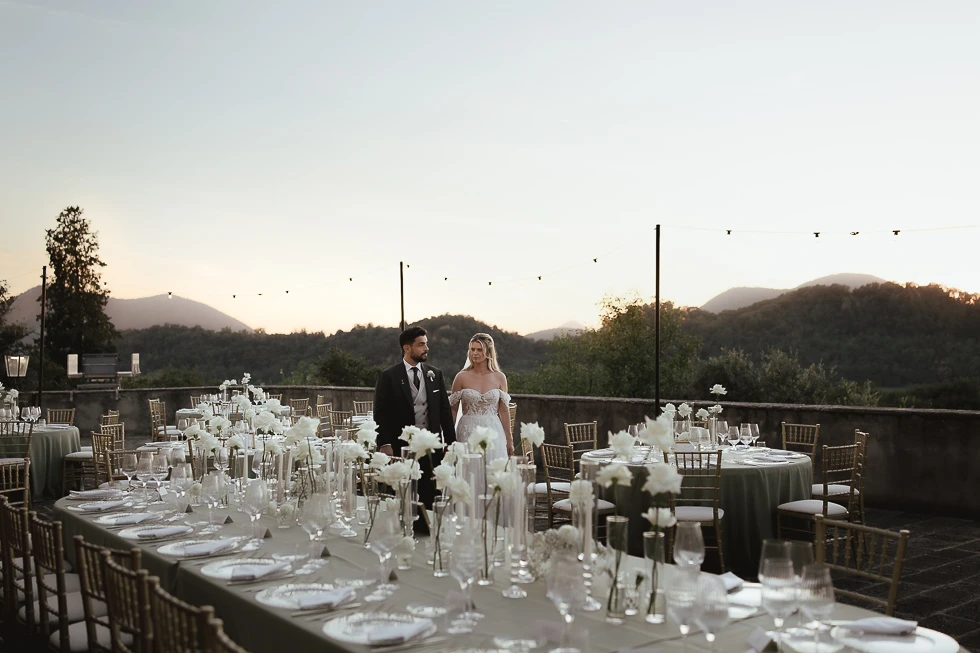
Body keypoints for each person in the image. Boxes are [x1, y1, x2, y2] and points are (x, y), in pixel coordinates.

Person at [373, 326, 456, 516]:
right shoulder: (388, 376)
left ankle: (429, 536)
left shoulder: (435, 374)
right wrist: (384, 443)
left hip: (431, 448)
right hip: (401, 446)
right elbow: (380, 413)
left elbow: (445, 411)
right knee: (403, 495)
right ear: (407, 348)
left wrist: (451, 443)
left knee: (430, 495)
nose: (426, 348)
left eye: (426, 344)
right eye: (421, 345)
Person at [450, 333, 514, 460]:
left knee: (493, 470)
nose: (475, 353)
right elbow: (453, 409)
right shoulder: (461, 377)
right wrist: (449, 437)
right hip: (468, 430)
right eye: (472, 349)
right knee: (468, 470)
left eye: (479, 350)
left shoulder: (500, 377)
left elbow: (503, 410)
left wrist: (509, 439)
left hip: (493, 430)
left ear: (489, 352)